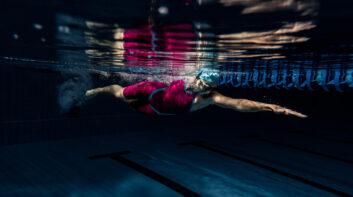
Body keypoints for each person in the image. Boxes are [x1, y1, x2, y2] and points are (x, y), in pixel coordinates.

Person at [85, 69, 307, 118]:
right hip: (154, 88)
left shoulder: (209, 98)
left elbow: (238, 103)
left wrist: (272, 107)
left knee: (131, 106)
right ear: (198, 75)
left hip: (154, 109)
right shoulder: (187, 74)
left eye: (208, 87)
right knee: (119, 94)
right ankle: (98, 88)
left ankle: (124, 99)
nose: (202, 88)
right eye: (202, 82)